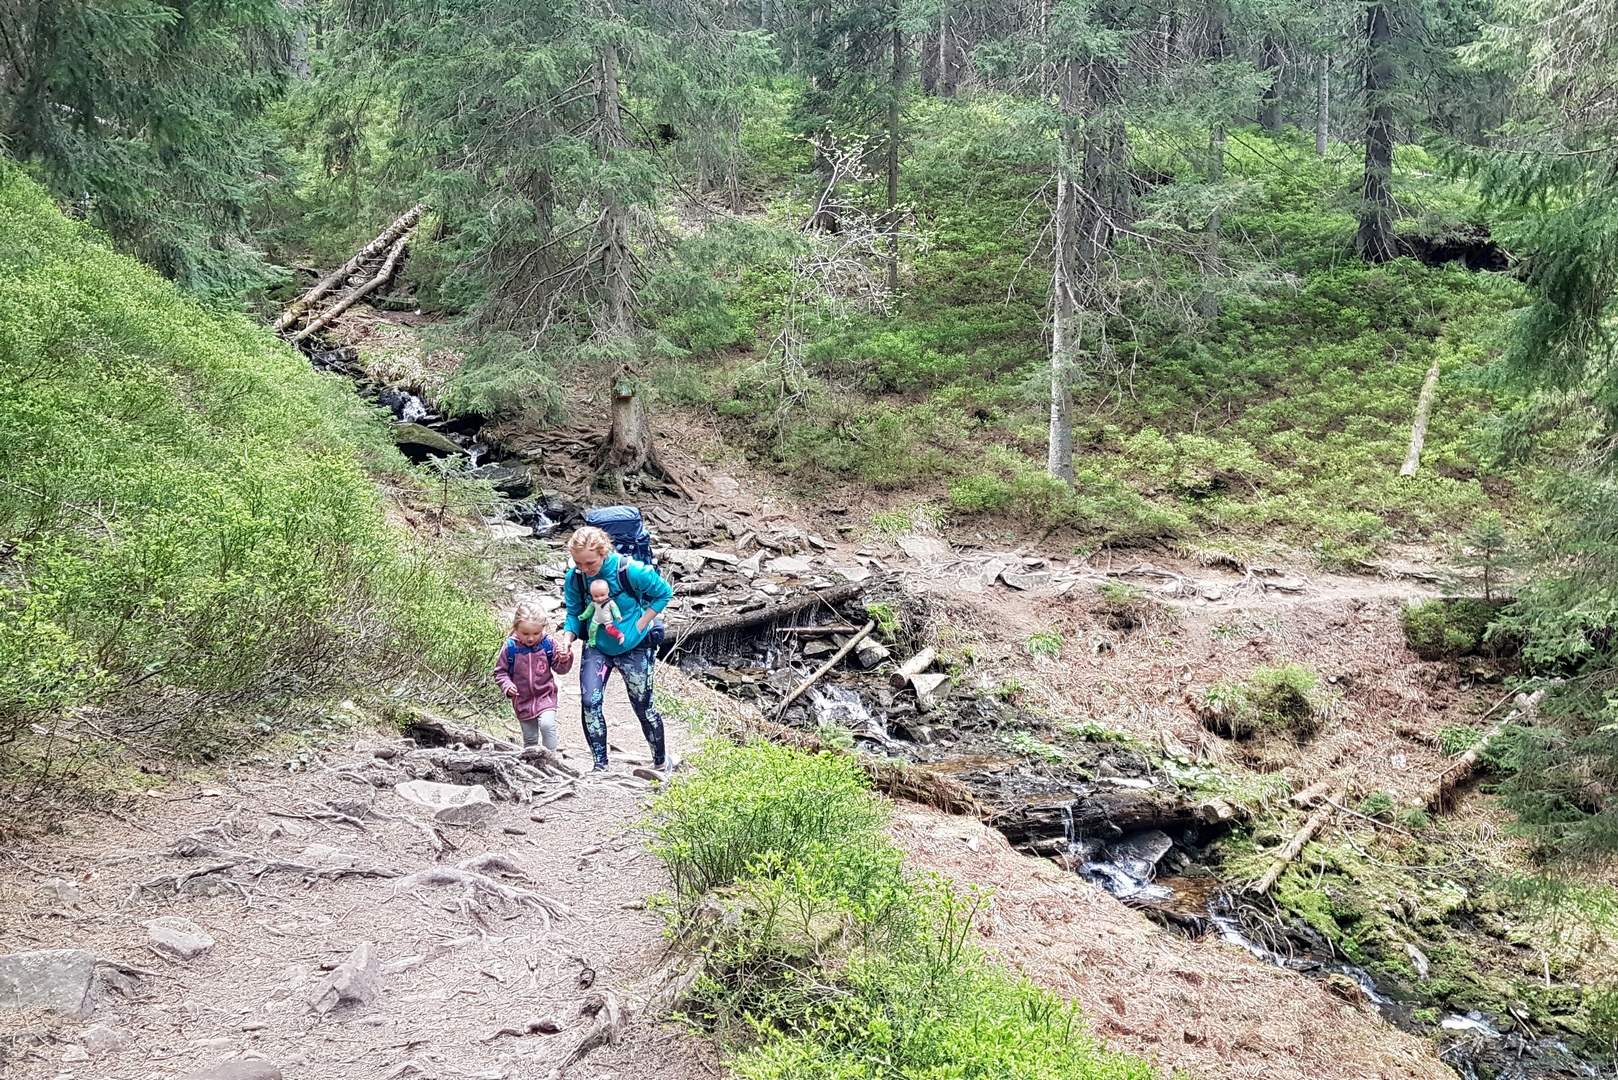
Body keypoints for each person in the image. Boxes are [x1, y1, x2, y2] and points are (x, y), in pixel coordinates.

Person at [557, 526, 673, 772]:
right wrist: (568, 638)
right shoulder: (575, 577)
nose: (584, 569)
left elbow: (663, 593)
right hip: (597, 645)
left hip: (635, 646)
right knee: (590, 702)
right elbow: (574, 612)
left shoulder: (630, 570)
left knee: (643, 706)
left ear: (603, 553)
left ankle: (661, 762)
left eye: (589, 563)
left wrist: (641, 624)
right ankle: (600, 766)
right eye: (578, 563)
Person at [494, 602, 573, 751]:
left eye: (536, 633)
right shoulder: (510, 647)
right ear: (516, 628)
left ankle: (552, 760)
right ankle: (532, 765)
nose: (531, 638)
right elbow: (500, 672)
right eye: (525, 633)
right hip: (522, 700)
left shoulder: (548, 643)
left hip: (545, 695)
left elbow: (560, 669)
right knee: (530, 739)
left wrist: (564, 659)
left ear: (543, 627)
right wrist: (507, 686)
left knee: (547, 725)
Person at [581, 578, 625, 645]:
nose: (599, 598)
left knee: (610, 630)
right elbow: (588, 611)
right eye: (596, 596)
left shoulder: (610, 602)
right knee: (592, 629)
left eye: (602, 595)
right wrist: (583, 616)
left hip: (607, 620)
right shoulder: (594, 603)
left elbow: (615, 609)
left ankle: (620, 636)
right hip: (596, 619)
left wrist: (617, 616)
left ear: (608, 591)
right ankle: (592, 641)